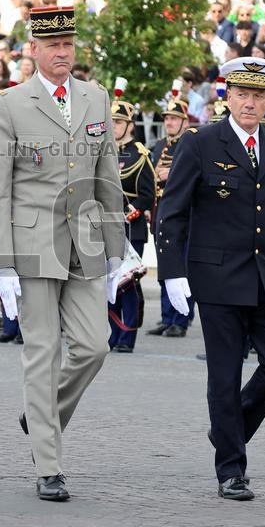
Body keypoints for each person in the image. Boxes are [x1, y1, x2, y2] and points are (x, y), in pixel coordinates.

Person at [0, 5, 127, 502]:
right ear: (33, 51)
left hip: (85, 242)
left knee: (95, 347)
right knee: (41, 354)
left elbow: (108, 175)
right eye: (53, 46)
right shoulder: (8, 104)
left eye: (69, 45)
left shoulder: (95, 97)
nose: (63, 53)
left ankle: (40, 415)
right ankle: (49, 464)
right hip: (32, 245)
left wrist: (116, 249)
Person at [156, 57, 265, 501]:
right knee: (223, 376)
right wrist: (172, 272)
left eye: (259, 96)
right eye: (242, 94)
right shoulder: (201, 142)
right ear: (228, 96)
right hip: (217, 278)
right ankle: (232, 470)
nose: (250, 103)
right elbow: (173, 211)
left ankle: (229, 428)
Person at [108, 97, 155, 353]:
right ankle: (113, 334)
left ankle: (128, 336)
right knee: (111, 285)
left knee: (129, 285)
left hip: (130, 227)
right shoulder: (105, 152)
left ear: (130, 125)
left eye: (118, 122)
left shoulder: (140, 154)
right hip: (107, 227)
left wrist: (134, 211)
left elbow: (148, 193)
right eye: (112, 121)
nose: (114, 126)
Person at [147, 98, 197, 336]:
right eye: (167, 118)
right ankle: (167, 317)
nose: (169, 122)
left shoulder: (190, 144)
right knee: (165, 267)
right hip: (161, 213)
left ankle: (182, 319)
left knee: (183, 268)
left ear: (185, 122)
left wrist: (172, 173)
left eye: (174, 118)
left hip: (183, 214)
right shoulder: (158, 146)